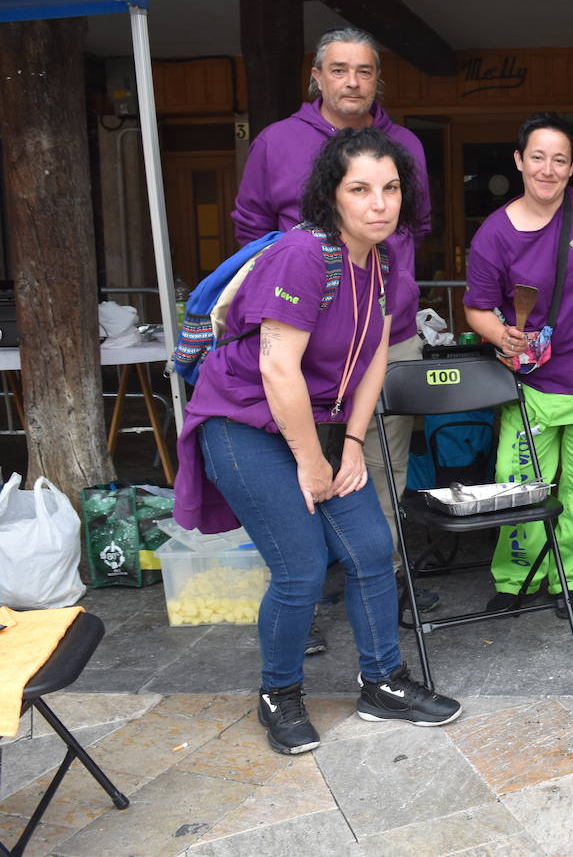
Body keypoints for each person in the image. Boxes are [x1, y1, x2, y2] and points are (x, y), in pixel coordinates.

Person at [173, 127, 462, 755]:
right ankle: (279, 693)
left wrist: (353, 442)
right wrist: (311, 460)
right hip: (244, 422)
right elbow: (278, 369)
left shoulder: (383, 261)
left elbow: (377, 357)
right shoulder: (304, 255)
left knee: (370, 549)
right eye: (361, 189)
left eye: (389, 188)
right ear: (333, 195)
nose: (379, 203)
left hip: (320, 425)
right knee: (301, 566)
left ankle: (382, 683)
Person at [232, 27, 438, 653]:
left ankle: (377, 584)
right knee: (297, 465)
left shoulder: (405, 144)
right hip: (295, 346)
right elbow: (249, 230)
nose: (353, 81)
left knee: (378, 462)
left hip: (381, 333)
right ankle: (305, 593)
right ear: (316, 76)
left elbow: (418, 225)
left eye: (366, 71)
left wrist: (383, 282)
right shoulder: (276, 143)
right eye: (340, 69)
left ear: (379, 80)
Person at [464, 113, 573, 619]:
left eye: (560, 159)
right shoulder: (493, 236)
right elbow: (476, 306)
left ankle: (570, 579)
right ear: (519, 160)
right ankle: (517, 575)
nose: (547, 168)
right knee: (517, 484)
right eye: (537, 156)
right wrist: (502, 334)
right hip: (532, 383)